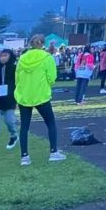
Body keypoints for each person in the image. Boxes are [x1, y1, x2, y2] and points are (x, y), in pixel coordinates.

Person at [15, 34, 66, 165]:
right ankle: (54, 152)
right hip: (41, 95)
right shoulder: (47, 57)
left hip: (24, 96)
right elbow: (52, 77)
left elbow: (17, 78)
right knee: (50, 123)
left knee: (24, 127)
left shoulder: (22, 58)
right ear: (42, 44)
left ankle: (24, 156)